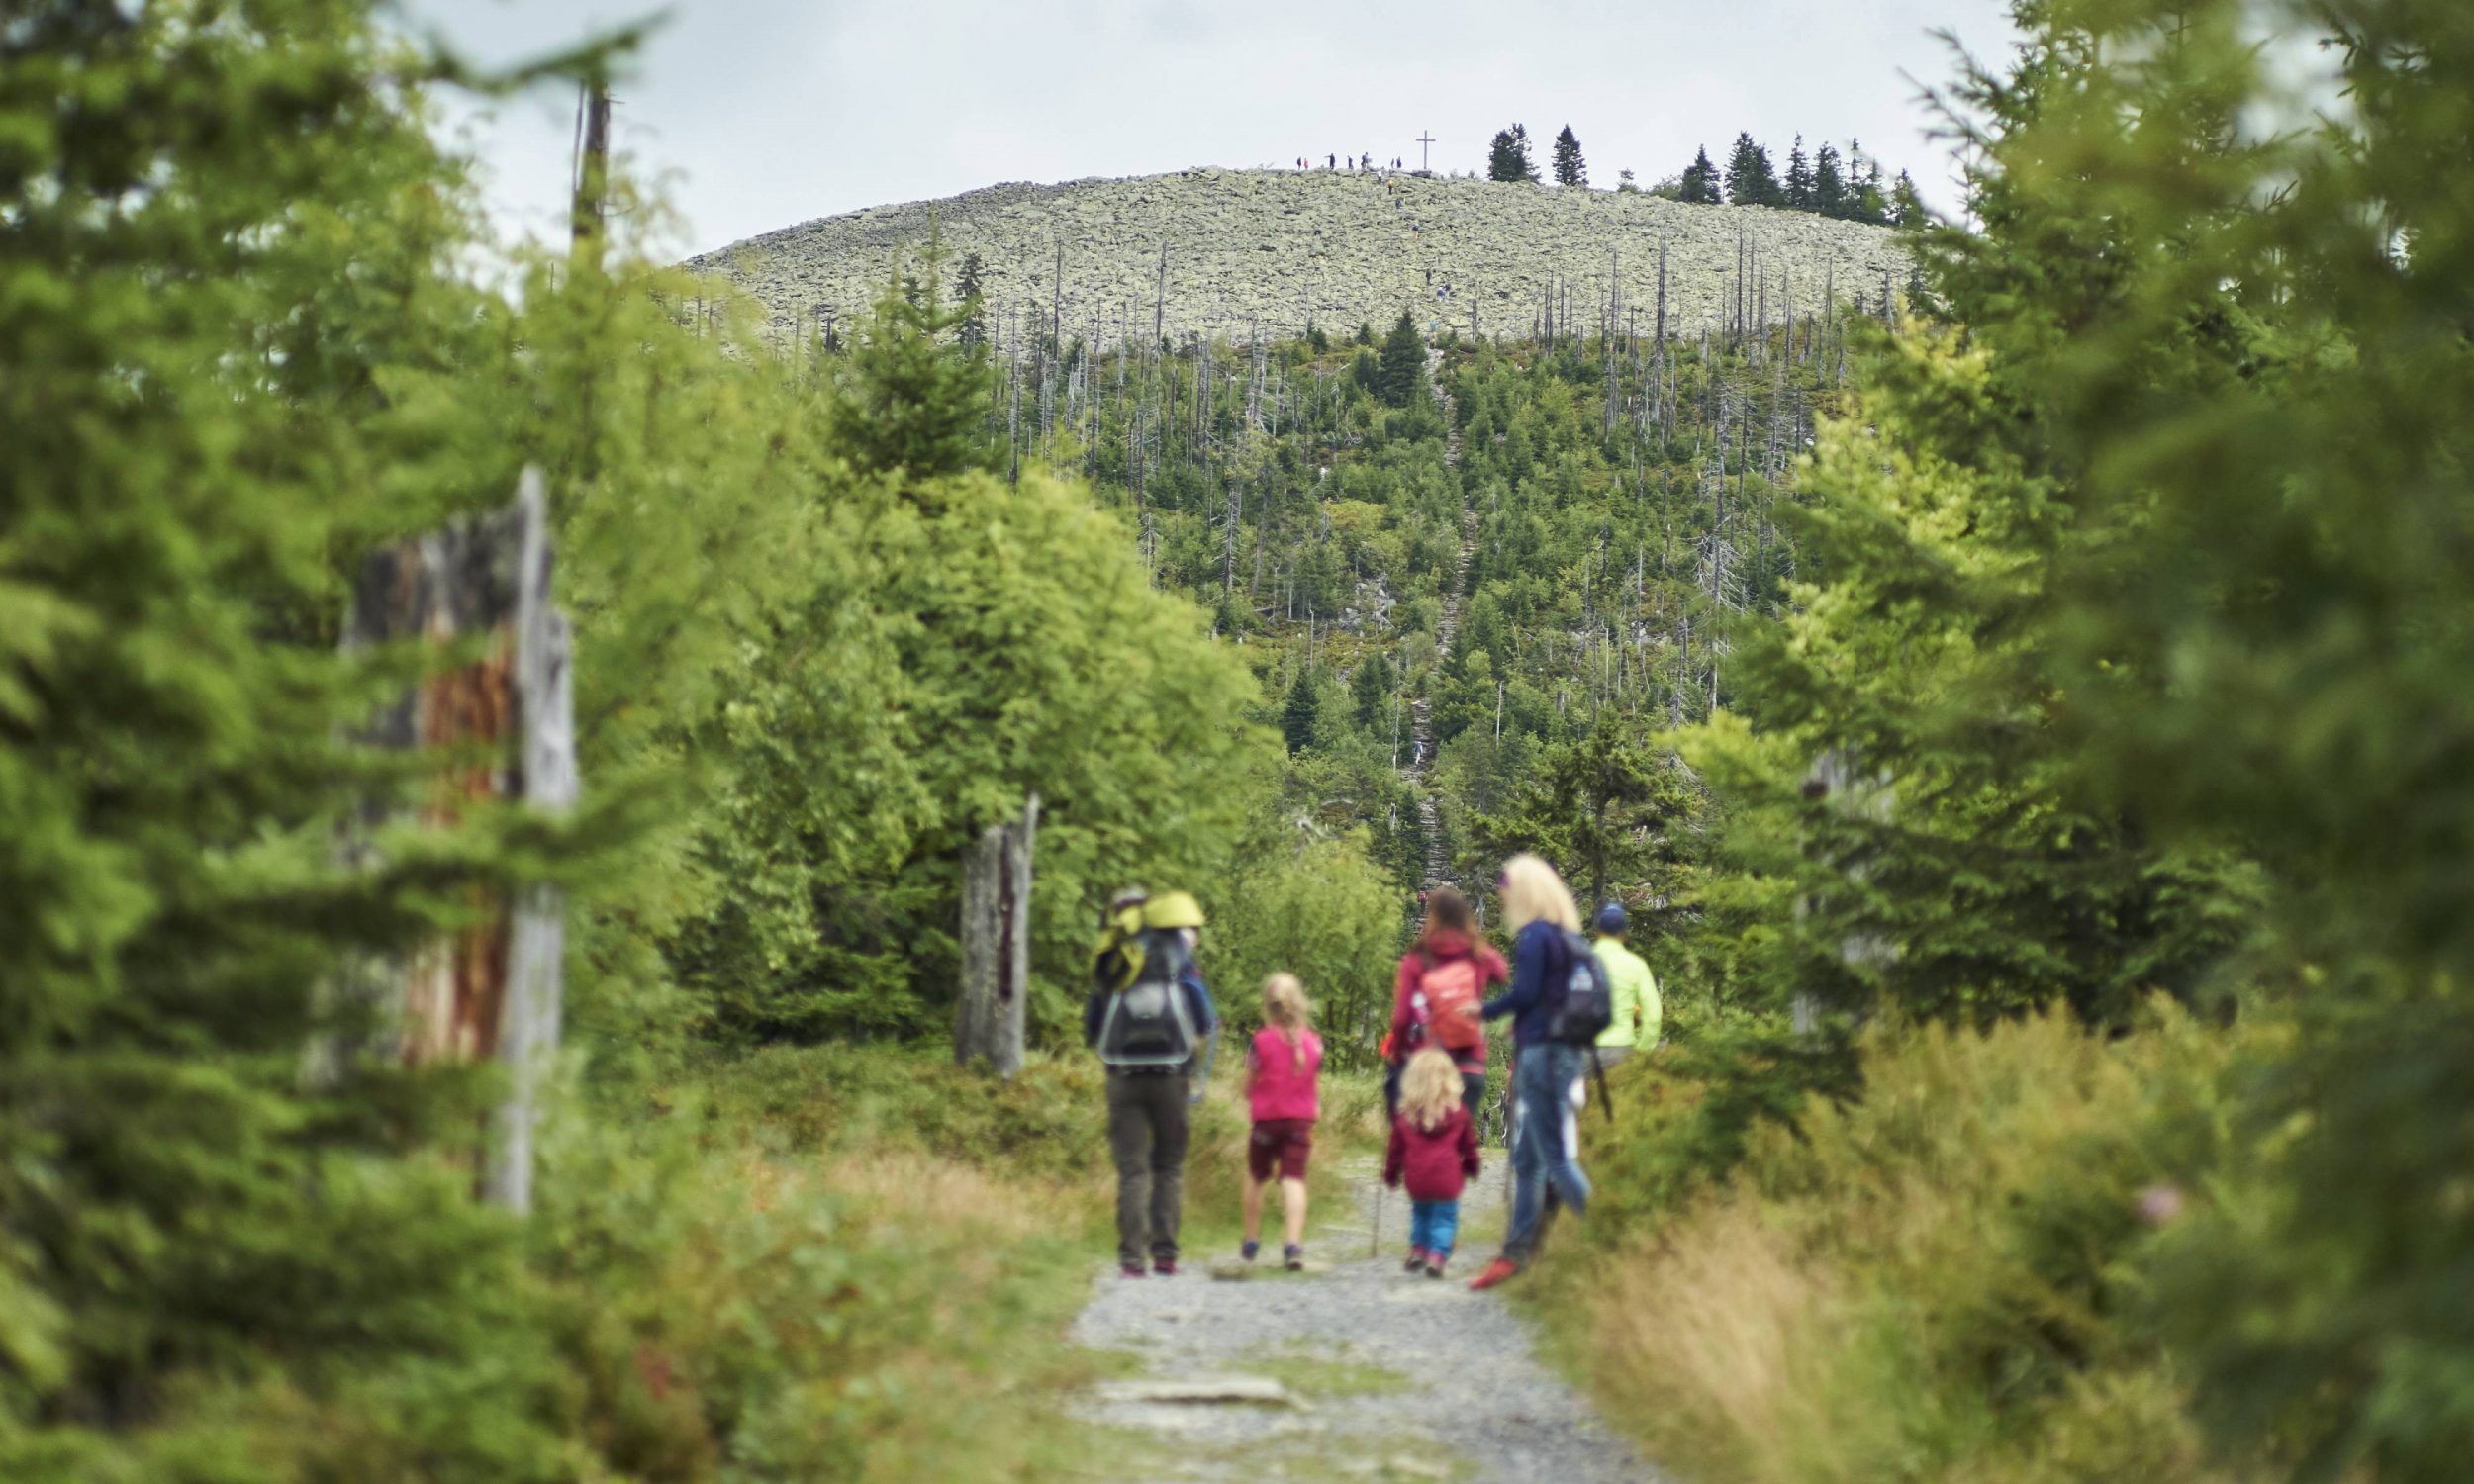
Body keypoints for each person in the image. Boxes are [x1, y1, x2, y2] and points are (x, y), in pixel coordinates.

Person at [1465, 854, 1592, 1290]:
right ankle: (1516, 1253)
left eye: (1506, 883)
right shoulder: (1568, 938)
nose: (1501, 891)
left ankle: (1605, 1233)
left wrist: (1481, 1010)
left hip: (1541, 1053)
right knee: (1529, 1158)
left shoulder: (1535, 936)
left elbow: (1525, 994)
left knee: (1551, 1156)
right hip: (1567, 1053)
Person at [1086, 890, 1218, 1277]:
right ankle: (1165, 1255)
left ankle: (1131, 1260)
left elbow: (1092, 1026)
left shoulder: (1114, 958)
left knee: (1132, 1170)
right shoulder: (1177, 957)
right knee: (1169, 1167)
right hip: (1172, 1076)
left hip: (1123, 1076)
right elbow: (1204, 1019)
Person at [1385, 885, 1506, 1124]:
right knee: (1458, 1133)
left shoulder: (1418, 957)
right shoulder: (1476, 952)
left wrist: (1397, 1053)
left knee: (1416, 1124)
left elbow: (1401, 1019)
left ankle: (1401, 1145)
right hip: (1470, 1060)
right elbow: (1501, 972)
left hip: (1428, 1058)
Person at [1241, 973, 1322, 1271]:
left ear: (1268, 1006)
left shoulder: (1259, 1042)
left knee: (1256, 1175)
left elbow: (1248, 1085)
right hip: (1300, 1122)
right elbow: (1314, 1083)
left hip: (1266, 1121)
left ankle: (1251, 1238)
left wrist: (1250, 1095)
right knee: (1293, 1179)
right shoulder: (1314, 1043)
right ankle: (1292, 1244)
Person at [1384, 1047, 1481, 1279]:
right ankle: (1437, 1255)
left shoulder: (1405, 1116)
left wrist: (1391, 1174)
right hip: (1447, 1180)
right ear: (1449, 1080)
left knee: (1421, 1213)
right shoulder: (1459, 1114)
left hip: (1416, 1179)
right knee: (1444, 1218)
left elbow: (1395, 1151)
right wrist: (1472, 1166)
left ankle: (1418, 1249)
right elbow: (1469, 1146)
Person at [1590, 901, 1660, 1069]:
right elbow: (1653, 1015)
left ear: (1598, 930)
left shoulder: (1580, 961)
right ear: (1623, 933)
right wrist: (1643, 1049)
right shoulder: (1636, 965)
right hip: (1622, 1049)